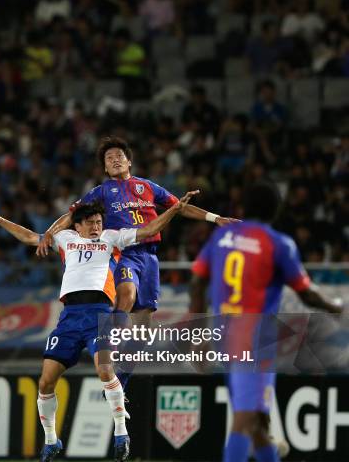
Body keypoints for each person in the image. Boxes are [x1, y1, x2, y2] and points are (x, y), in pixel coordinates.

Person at [0, 191, 197, 462]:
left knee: (105, 370)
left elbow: (149, 229)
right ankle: (51, 441)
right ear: (76, 226)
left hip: (98, 315)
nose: (95, 226)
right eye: (89, 222)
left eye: (98, 221)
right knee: (45, 383)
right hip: (69, 319)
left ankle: (120, 433)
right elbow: (30, 237)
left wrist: (174, 210)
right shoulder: (65, 240)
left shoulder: (112, 238)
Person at [190, 181, 343, 462]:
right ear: (276, 209)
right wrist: (335, 306)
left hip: (223, 334)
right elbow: (306, 295)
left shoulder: (222, 238)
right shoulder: (278, 243)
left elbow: (197, 282)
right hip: (256, 339)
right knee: (246, 419)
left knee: (258, 424)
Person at [36, 136, 237, 389]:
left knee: (143, 329)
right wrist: (48, 235)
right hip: (124, 253)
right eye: (110, 159)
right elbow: (71, 215)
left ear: (129, 161)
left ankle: (122, 381)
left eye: (119, 155)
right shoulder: (101, 192)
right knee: (127, 294)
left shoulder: (148, 187)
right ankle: (105, 341)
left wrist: (215, 218)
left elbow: (180, 207)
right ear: (105, 169)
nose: (115, 159)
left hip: (150, 257)